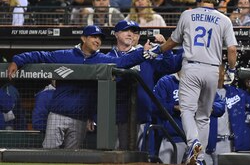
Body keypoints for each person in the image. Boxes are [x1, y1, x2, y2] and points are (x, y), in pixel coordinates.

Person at [7, 25, 153, 149]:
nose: (97, 40)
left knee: (73, 158)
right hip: (58, 114)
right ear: (83, 38)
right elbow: (40, 55)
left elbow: (123, 62)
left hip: (80, 118)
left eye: (99, 38)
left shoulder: (102, 59)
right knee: (49, 155)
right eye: (93, 37)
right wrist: (17, 60)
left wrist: (142, 52)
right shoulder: (65, 55)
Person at [144, 0, 238, 165]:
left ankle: (193, 142)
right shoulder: (224, 19)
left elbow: (172, 41)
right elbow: (232, 50)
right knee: (203, 117)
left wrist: (158, 51)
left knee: (187, 110)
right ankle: (200, 158)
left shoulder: (188, 15)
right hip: (212, 69)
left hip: (192, 67)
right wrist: (232, 70)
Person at [106, 20, 175, 150]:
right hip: (112, 115)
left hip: (140, 115)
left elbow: (169, 67)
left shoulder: (147, 56)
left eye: (134, 32)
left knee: (136, 156)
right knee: (110, 154)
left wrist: (165, 48)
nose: (130, 34)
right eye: (126, 30)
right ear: (116, 34)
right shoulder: (107, 57)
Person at [153, 71, 225, 165]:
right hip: (174, 139)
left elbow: (220, 107)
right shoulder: (166, 82)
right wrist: (175, 107)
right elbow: (155, 107)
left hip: (198, 142)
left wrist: (207, 107)